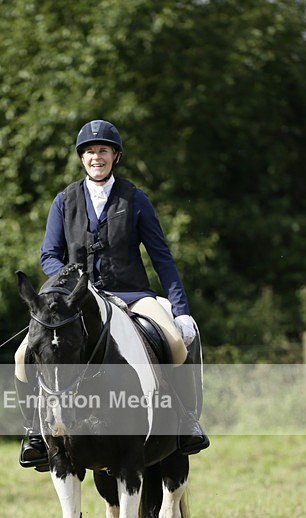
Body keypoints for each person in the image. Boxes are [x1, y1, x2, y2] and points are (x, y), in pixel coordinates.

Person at [16, 119, 209, 469]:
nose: (96, 157)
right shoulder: (64, 201)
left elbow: (162, 257)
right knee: (21, 355)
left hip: (132, 294)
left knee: (177, 343)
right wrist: (73, 283)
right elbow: (48, 255)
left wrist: (180, 309)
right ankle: (34, 432)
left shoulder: (136, 199)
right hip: (80, 301)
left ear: (115, 156)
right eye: (89, 152)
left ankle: (186, 421)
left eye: (102, 150)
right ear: (81, 158)